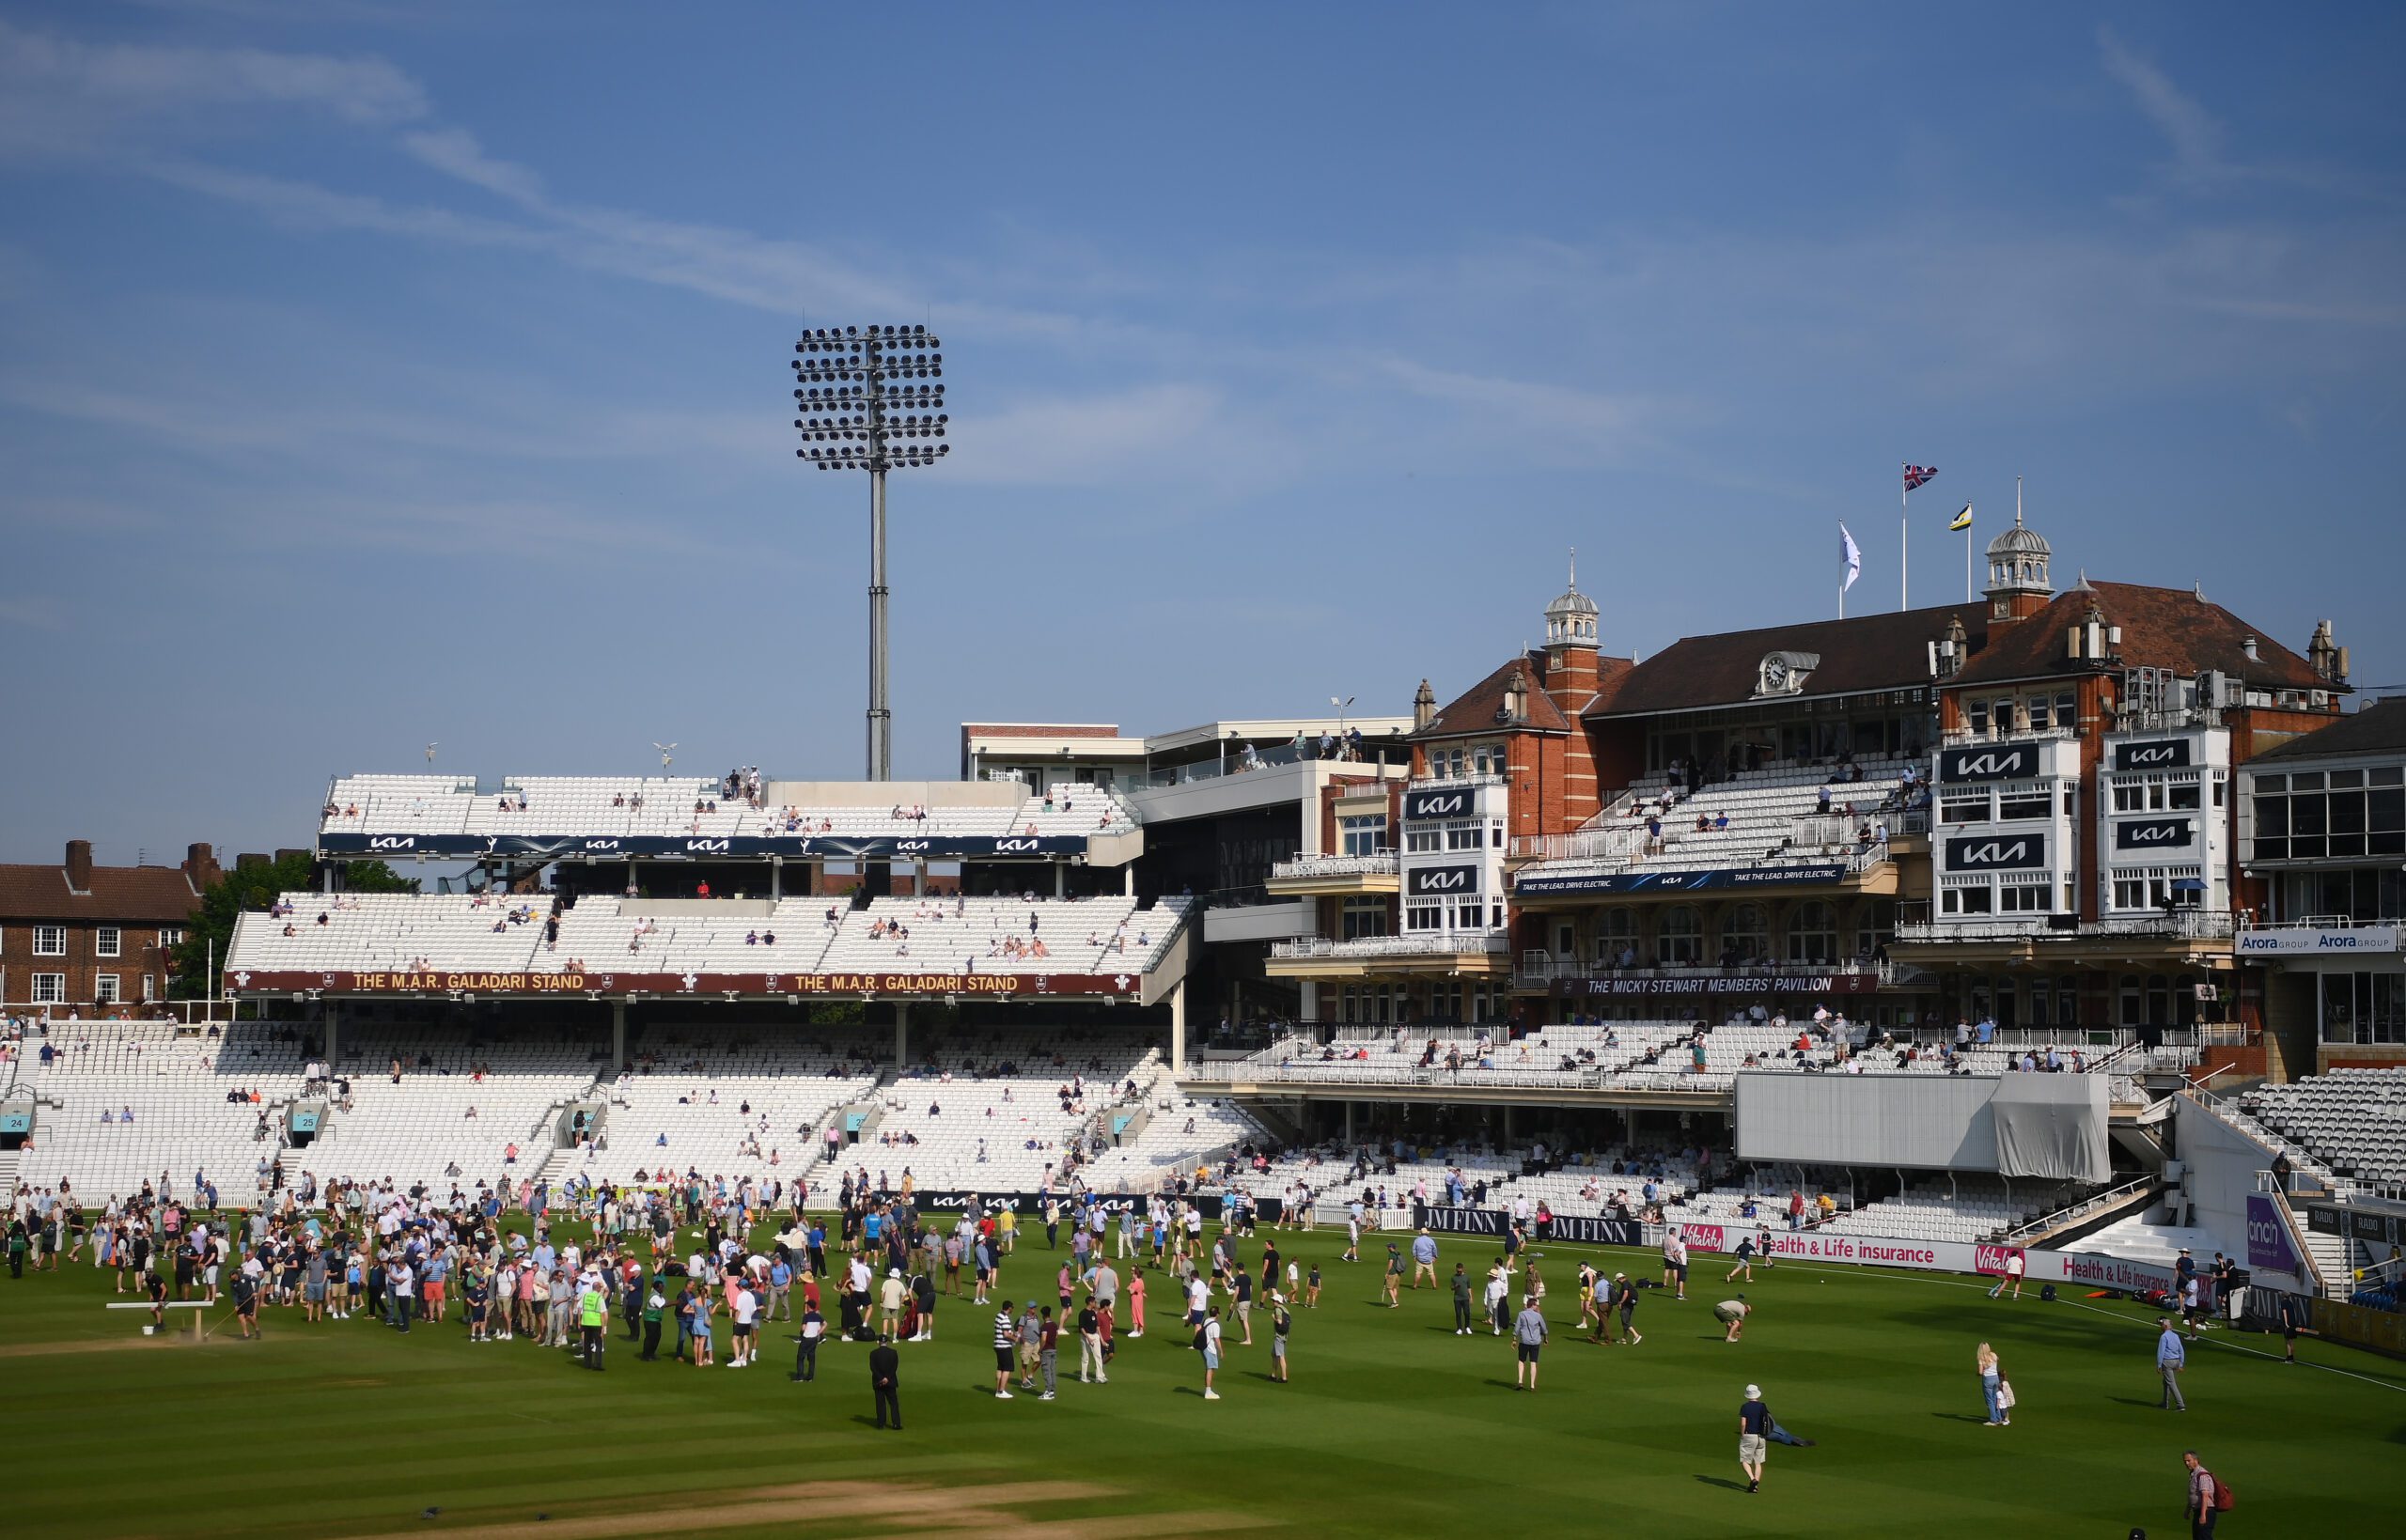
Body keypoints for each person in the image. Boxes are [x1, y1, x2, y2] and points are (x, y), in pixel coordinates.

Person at [1738, 1383, 1773, 1494]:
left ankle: (1752, 1479)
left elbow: (1743, 1423)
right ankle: (1755, 1485)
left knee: (1744, 1460)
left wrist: (1742, 1434)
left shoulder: (1745, 1407)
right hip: (1761, 1436)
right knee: (1758, 1462)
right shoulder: (1763, 1406)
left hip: (1749, 1435)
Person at [2183, 1450, 2224, 1537]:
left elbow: (2205, 1496)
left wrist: (2203, 1515)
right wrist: (2188, 1510)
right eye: (2185, 1461)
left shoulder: (2202, 1475)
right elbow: (2193, 1495)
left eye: (2188, 1461)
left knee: (2204, 1536)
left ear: (2196, 1460)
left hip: (2206, 1511)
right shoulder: (2193, 1474)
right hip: (2198, 1511)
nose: (2186, 1463)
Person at [1511, 1294, 1548, 1391]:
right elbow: (1544, 1328)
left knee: (1521, 1361)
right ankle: (1532, 1385)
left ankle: (1520, 1381)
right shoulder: (1538, 1315)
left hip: (1524, 1341)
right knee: (1533, 1362)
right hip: (1535, 1341)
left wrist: (1514, 1339)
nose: (1537, 1307)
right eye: (1536, 1305)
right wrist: (1545, 1338)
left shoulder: (1521, 1314)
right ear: (1532, 1305)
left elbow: (1517, 1328)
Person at [869, 1331, 902, 1430]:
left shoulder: (873, 1354)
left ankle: (881, 1424)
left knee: (880, 1404)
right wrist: (887, 1378)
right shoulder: (893, 1353)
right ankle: (896, 1423)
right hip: (890, 1381)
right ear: (887, 1342)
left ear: (878, 1342)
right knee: (893, 1403)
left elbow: (873, 1368)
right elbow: (894, 1367)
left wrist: (881, 1378)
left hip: (878, 1382)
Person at [2157, 1316, 2188, 1410]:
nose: (2161, 1326)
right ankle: (2165, 1402)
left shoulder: (2164, 1337)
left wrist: (2159, 1365)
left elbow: (2161, 1351)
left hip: (2168, 1362)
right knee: (2166, 1382)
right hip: (2176, 1361)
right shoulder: (2175, 1336)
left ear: (2166, 1326)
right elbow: (2181, 1350)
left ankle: (2180, 1404)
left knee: (2171, 1383)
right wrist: (2181, 1364)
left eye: (2162, 1325)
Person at [791, 1299, 825, 1381]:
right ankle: (810, 1377)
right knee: (811, 1358)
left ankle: (800, 1377)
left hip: (806, 1339)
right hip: (814, 1339)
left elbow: (803, 1328)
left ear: (808, 1306)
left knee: (800, 1358)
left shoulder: (806, 1316)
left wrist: (803, 1330)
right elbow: (825, 1324)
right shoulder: (818, 1316)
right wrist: (818, 1332)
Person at [1976, 1341, 2008, 1426]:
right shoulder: (1993, 1355)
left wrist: (1978, 1373)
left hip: (1988, 1379)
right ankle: (1998, 1418)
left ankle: (1993, 1420)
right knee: (1995, 1398)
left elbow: (1980, 1372)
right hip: (1995, 1378)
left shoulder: (1982, 1358)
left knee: (1989, 1400)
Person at [992, 1299, 1018, 1398]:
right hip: (1004, 1346)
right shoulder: (1005, 1318)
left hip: (997, 1346)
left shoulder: (999, 1315)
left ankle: (998, 1390)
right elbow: (1006, 1334)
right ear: (1009, 1308)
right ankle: (1001, 1391)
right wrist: (1015, 1338)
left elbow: (1005, 1331)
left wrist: (1012, 1334)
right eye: (1012, 1307)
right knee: (1007, 1368)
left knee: (1000, 1368)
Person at [1199, 1304, 1224, 1400]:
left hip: (1204, 1347)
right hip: (1210, 1349)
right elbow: (1217, 1339)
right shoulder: (1215, 1325)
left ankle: (1209, 1390)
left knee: (1210, 1368)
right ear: (1217, 1314)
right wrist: (1221, 1351)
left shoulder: (1206, 1320)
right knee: (1210, 1369)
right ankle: (1208, 1392)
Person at [1270, 1291, 1292, 1382]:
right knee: (1274, 1354)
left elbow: (1279, 1322)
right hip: (1284, 1335)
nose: (1273, 1302)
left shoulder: (1278, 1310)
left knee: (1281, 1356)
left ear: (1277, 1301)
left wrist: (1273, 1318)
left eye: (1274, 1300)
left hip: (1279, 1336)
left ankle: (1284, 1378)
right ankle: (1273, 1375)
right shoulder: (1285, 1309)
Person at [1450, 1262, 1475, 1335]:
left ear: (1462, 1269)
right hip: (1457, 1298)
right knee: (1458, 1314)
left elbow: (1469, 1287)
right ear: (1456, 1269)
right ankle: (1459, 1328)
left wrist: (1471, 1297)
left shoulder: (1466, 1277)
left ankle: (1467, 1327)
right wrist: (1455, 1287)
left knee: (1467, 1313)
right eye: (1458, 1271)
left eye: (1460, 1271)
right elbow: (1451, 1288)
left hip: (1465, 1298)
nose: (1459, 1272)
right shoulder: (1453, 1277)